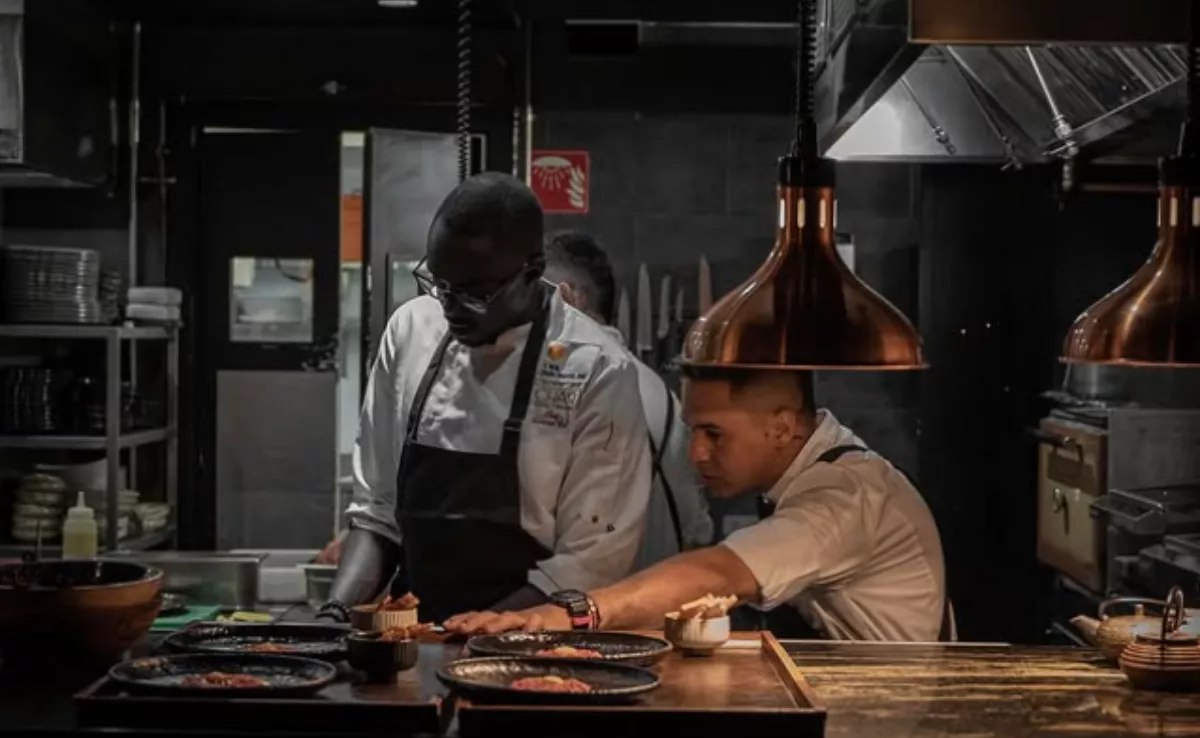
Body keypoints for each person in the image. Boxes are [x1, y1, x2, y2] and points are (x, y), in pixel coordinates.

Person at [317, 172, 653, 625]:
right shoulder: (412, 330)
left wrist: (480, 635)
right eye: (438, 284)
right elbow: (378, 513)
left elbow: (592, 559)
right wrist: (334, 615)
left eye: (474, 293)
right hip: (413, 637)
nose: (450, 306)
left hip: (533, 644)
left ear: (532, 272)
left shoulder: (596, 367)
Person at [445, 368, 952, 642]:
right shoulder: (816, 468)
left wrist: (573, 614)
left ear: (781, 426)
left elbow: (719, 571)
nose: (696, 453)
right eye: (692, 431)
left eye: (714, 433)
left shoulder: (843, 496)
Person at [542, 231, 713, 569]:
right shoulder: (661, 395)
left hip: (583, 612)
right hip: (654, 607)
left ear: (566, 298)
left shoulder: (564, 391)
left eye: (530, 296)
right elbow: (696, 529)